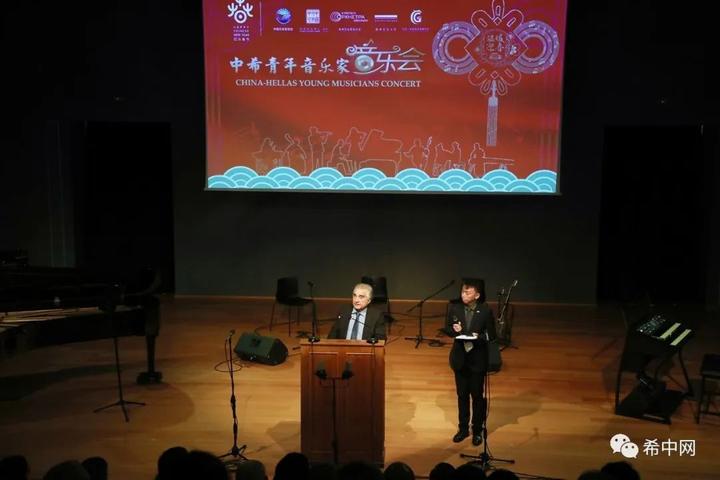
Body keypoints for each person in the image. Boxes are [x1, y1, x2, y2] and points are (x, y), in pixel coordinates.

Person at [444, 279, 497, 446]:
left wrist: (478, 336)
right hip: (460, 358)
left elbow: (491, 335)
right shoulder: (455, 308)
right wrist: (454, 330)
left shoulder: (485, 310)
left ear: (477, 295)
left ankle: (477, 430)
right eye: (462, 291)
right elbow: (447, 329)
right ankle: (463, 428)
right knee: (462, 395)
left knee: (477, 396)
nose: (463, 294)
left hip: (477, 359)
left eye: (467, 292)